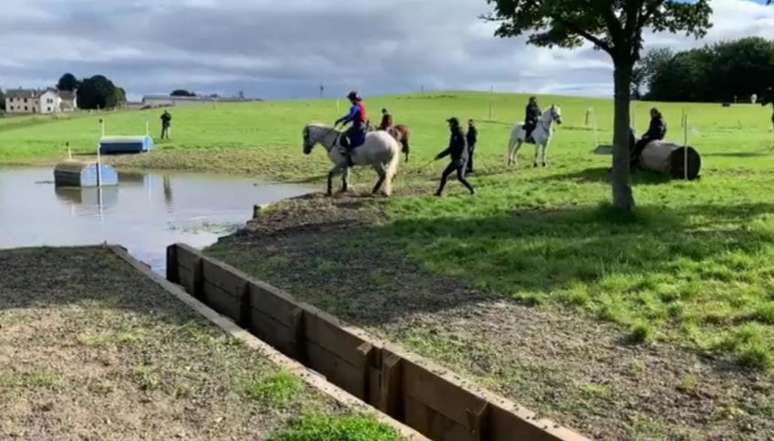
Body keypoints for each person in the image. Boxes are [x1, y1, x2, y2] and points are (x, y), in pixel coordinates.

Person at [435, 117, 475, 196]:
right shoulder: (454, 133)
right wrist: (440, 155)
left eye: (450, 123)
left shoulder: (460, 133)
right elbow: (451, 148)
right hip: (457, 159)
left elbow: (464, 145)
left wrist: (460, 158)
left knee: (446, 174)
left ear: (453, 124)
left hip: (461, 159)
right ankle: (472, 190)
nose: (449, 125)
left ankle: (439, 192)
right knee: (460, 177)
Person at [335, 91, 368, 165]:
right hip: (363, 124)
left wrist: (345, 122)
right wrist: (341, 119)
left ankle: (349, 151)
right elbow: (350, 115)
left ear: (353, 99)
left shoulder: (355, 106)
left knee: (344, 135)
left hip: (358, 125)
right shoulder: (361, 105)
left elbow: (351, 116)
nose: (350, 101)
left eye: (350, 99)